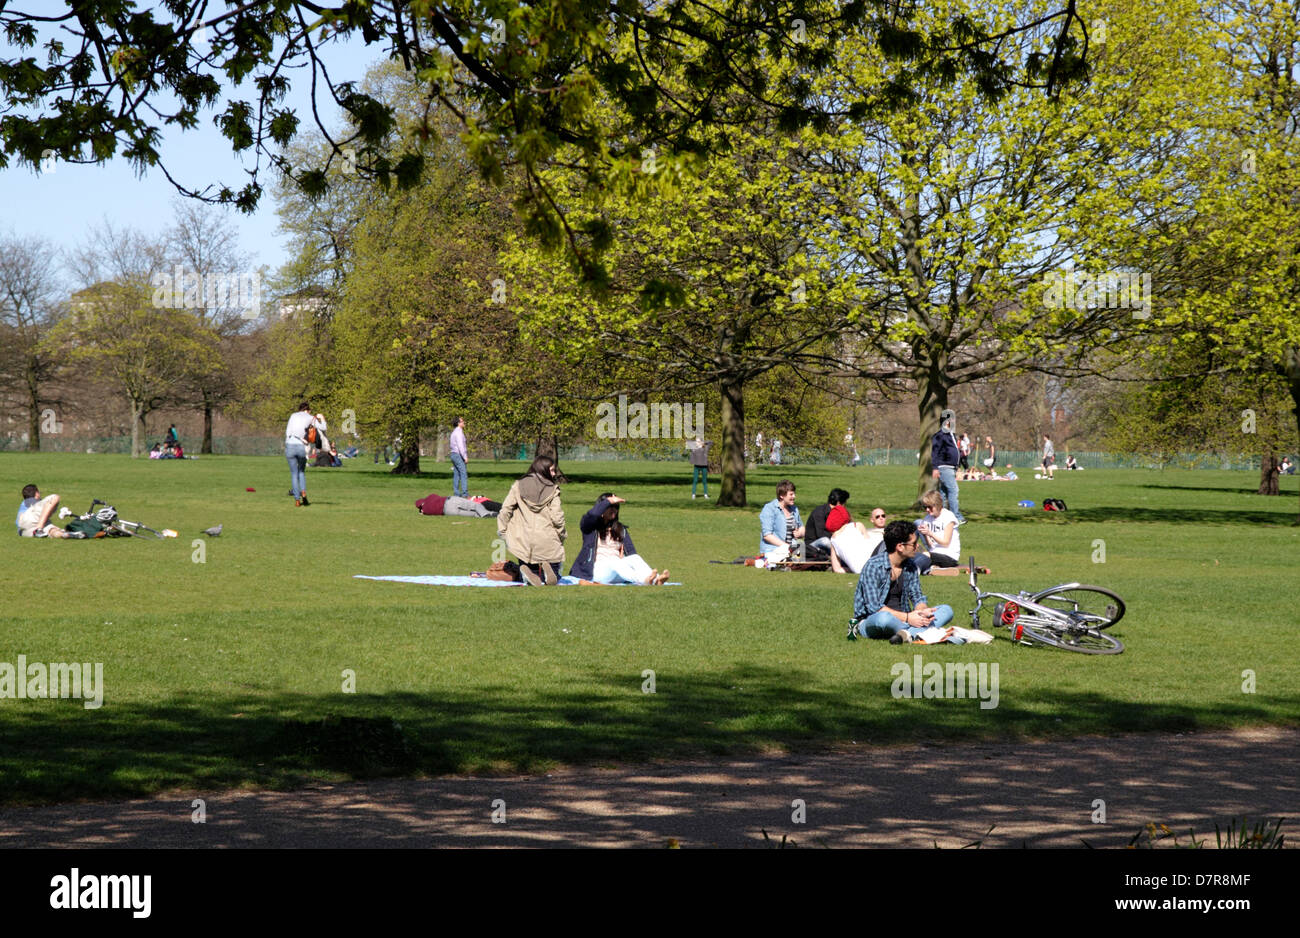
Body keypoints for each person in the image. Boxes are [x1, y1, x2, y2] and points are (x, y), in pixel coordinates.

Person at [846, 520, 958, 643]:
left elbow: (917, 596)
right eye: (914, 543)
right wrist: (908, 618)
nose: (917, 547)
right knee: (884, 619)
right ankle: (919, 632)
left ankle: (907, 633)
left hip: (905, 618)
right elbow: (874, 608)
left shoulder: (910, 565)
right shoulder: (873, 566)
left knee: (946, 610)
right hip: (874, 619)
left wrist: (922, 611)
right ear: (900, 546)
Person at [497, 455, 566, 585]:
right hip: (547, 536)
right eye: (551, 470)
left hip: (522, 537)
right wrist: (562, 534)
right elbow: (557, 517)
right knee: (555, 576)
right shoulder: (553, 489)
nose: (554, 473)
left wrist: (503, 531)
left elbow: (505, 509)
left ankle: (528, 571)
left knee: (532, 572)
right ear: (543, 469)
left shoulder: (518, 485)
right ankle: (549, 568)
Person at [570, 494, 669, 585]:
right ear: (601, 507)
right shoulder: (589, 527)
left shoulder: (621, 529)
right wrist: (608, 501)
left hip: (617, 572)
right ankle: (645, 581)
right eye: (610, 507)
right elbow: (593, 515)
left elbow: (631, 553)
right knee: (615, 562)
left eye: (616, 507)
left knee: (635, 558)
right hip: (596, 572)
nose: (614, 510)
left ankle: (656, 579)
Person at [284, 402, 323, 507]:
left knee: (294, 474)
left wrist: (287, 445)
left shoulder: (293, 416)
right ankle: (304, 492)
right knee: (301, 472)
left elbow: (288, 432)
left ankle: (297, 500)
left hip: (290, 446)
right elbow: (323, 427)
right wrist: (321, 418)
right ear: (308, 410)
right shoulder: (310, 417)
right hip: (300, 447)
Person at [930, 408, 965, 523]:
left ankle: (941, 516)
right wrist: (935, 467)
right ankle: (956, 517)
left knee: (944, 493)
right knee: (954, 490)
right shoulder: (941, 435)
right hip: (944, 467)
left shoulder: (950, 434)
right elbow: (935, 452)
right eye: (951, 420)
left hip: (950, 467)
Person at [759, 479, 804, 562]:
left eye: (794, 493)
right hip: (774, 549)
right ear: (782, 496)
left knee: (803, 547)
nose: (794, 496)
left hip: (792, 548)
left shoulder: (794, 509)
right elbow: (767, 535)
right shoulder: (769, 509)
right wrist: (787, 547)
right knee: (795, 555)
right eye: (791, 494)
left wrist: (800, 533)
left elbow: (802, 527)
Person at [916, 491, 961, 571]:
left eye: (929, 507)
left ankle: (916, 571)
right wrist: (925, 534)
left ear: (937, 505)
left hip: (949, 555)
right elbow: (930, 545)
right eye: (925, 507)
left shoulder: (948, 517)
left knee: (924, 555)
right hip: (934, 553)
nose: (927, 510)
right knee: (916, 523)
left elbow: (946, 543)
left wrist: (930, 533)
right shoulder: (927, 519)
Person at [804, 488, 848, 560]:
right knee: (825, 541)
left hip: (830, 545)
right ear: (839, 503)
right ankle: (843, 555)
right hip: (812, 546)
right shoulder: (819, 512)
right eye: (844, 504)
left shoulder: (840, 513)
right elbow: (820, 534)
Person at [449, 416, 469, 499]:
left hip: (453, 454)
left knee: (456, 474)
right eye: (462, 421)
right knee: (463, 473)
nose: (464, 422)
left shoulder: (454, 432)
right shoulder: (459, 433)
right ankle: (465, 493)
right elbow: (461, 446)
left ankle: (456, 493)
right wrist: (465, 457)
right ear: (458, 423)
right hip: (458, 455)